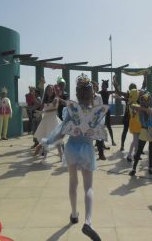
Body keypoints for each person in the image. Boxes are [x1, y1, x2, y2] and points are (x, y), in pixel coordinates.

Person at [40, 74, 107, 241]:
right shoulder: (96, 112)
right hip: (86, 148)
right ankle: (88, 222)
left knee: (73, 182)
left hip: (71, 148)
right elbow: (99, 131)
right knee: (88, 187)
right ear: (91, 94)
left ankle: (74, 214)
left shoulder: (70, 109)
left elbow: (62, 130)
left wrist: (48, 141)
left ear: (77, 94)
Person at [129, 91, 152, 176]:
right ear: (141, 100)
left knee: (151, 150)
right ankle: (134, 168)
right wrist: (145, 109)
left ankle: (150, 167)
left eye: (147, 100)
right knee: (139, 150)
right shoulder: (140, 109)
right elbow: (132, 105)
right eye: (144, 100)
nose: (146, 102)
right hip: (144, 131)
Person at [33, 85, 63, 159]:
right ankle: (45, 157)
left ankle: (61, 157)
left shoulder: (56, 98)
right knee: (45, 138)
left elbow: (55, 108)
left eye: (52, 89)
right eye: (49, 89)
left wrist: (43, 112)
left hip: (53, 120)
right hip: (45, 120)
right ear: (46, 91)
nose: (50, 91)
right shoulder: (45, 99)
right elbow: (41, 107)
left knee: (57, 140)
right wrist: (38, 112)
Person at [99, 79, 116, 146]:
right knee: (100, 126)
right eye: (102, 85)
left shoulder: (108, 92)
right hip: (101, 111)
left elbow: (116, 91)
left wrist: (114, 83)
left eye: (103, 85)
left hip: (107, 111)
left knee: (109, 126)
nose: (102, 86)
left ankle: (112, 141)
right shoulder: (100, 92)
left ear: (106, 86)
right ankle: (100, 142)